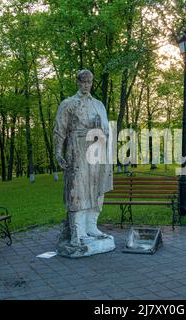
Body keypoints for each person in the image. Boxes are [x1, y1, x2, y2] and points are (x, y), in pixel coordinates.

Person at [54, 69, 113, 249]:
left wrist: (101, 129)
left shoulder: (99, 105)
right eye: (83, 82)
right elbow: (59, 130)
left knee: (95, 188)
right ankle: (78, 233)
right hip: (77, 149)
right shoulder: (69, 104)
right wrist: (58, 152)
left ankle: (91, 227)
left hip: (97, 149)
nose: (86, 85)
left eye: (89, 82)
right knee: (77, 190)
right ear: (78, 82)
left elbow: (107, 129)